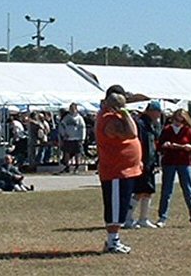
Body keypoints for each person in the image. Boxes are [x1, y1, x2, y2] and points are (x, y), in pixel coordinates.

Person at [95, 88, 142, 254]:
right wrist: (125, 112)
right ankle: (112, 242)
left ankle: (114, 241)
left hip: (126, 170)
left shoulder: (115, 116)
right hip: (116, 171)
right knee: (115, 209)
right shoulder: (108, 119)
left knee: (121, 207)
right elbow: (132, 133)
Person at [156, 109, 191, 229]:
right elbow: (159, 146)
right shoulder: (167, 130)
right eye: (176, 119)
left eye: (181, 120)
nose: (178, 122)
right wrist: (164, 145)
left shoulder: (187, 130)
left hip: (184, 162)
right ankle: (162, 218)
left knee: (189, 190)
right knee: (166, 191)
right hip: (169, 162)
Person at [125, 101, 162, 229]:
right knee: (139, 191)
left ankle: (143, 219)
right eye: (157, 112)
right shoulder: (141, 124)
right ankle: (127, 218)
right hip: (142, 162)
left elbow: (154, 143)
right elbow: (139, 143)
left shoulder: (152, 125)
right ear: (151, 111)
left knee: (148, 191)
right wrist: (139, 160)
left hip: (150, 162)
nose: (159, 115)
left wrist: (155, 162)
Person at [59, 103, 87, 174]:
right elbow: (62, 126)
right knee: (67, 153)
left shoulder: (79, 118)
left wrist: (82, 138)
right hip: (68, 139)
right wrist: (63, 134)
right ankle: (67, 167)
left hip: (77, 139)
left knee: (77, 153)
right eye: (70, 109)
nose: (72, 110)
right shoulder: (66, 118)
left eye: (73, 109)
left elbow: (83, 128)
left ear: (76, 109)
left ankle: (77, 167)